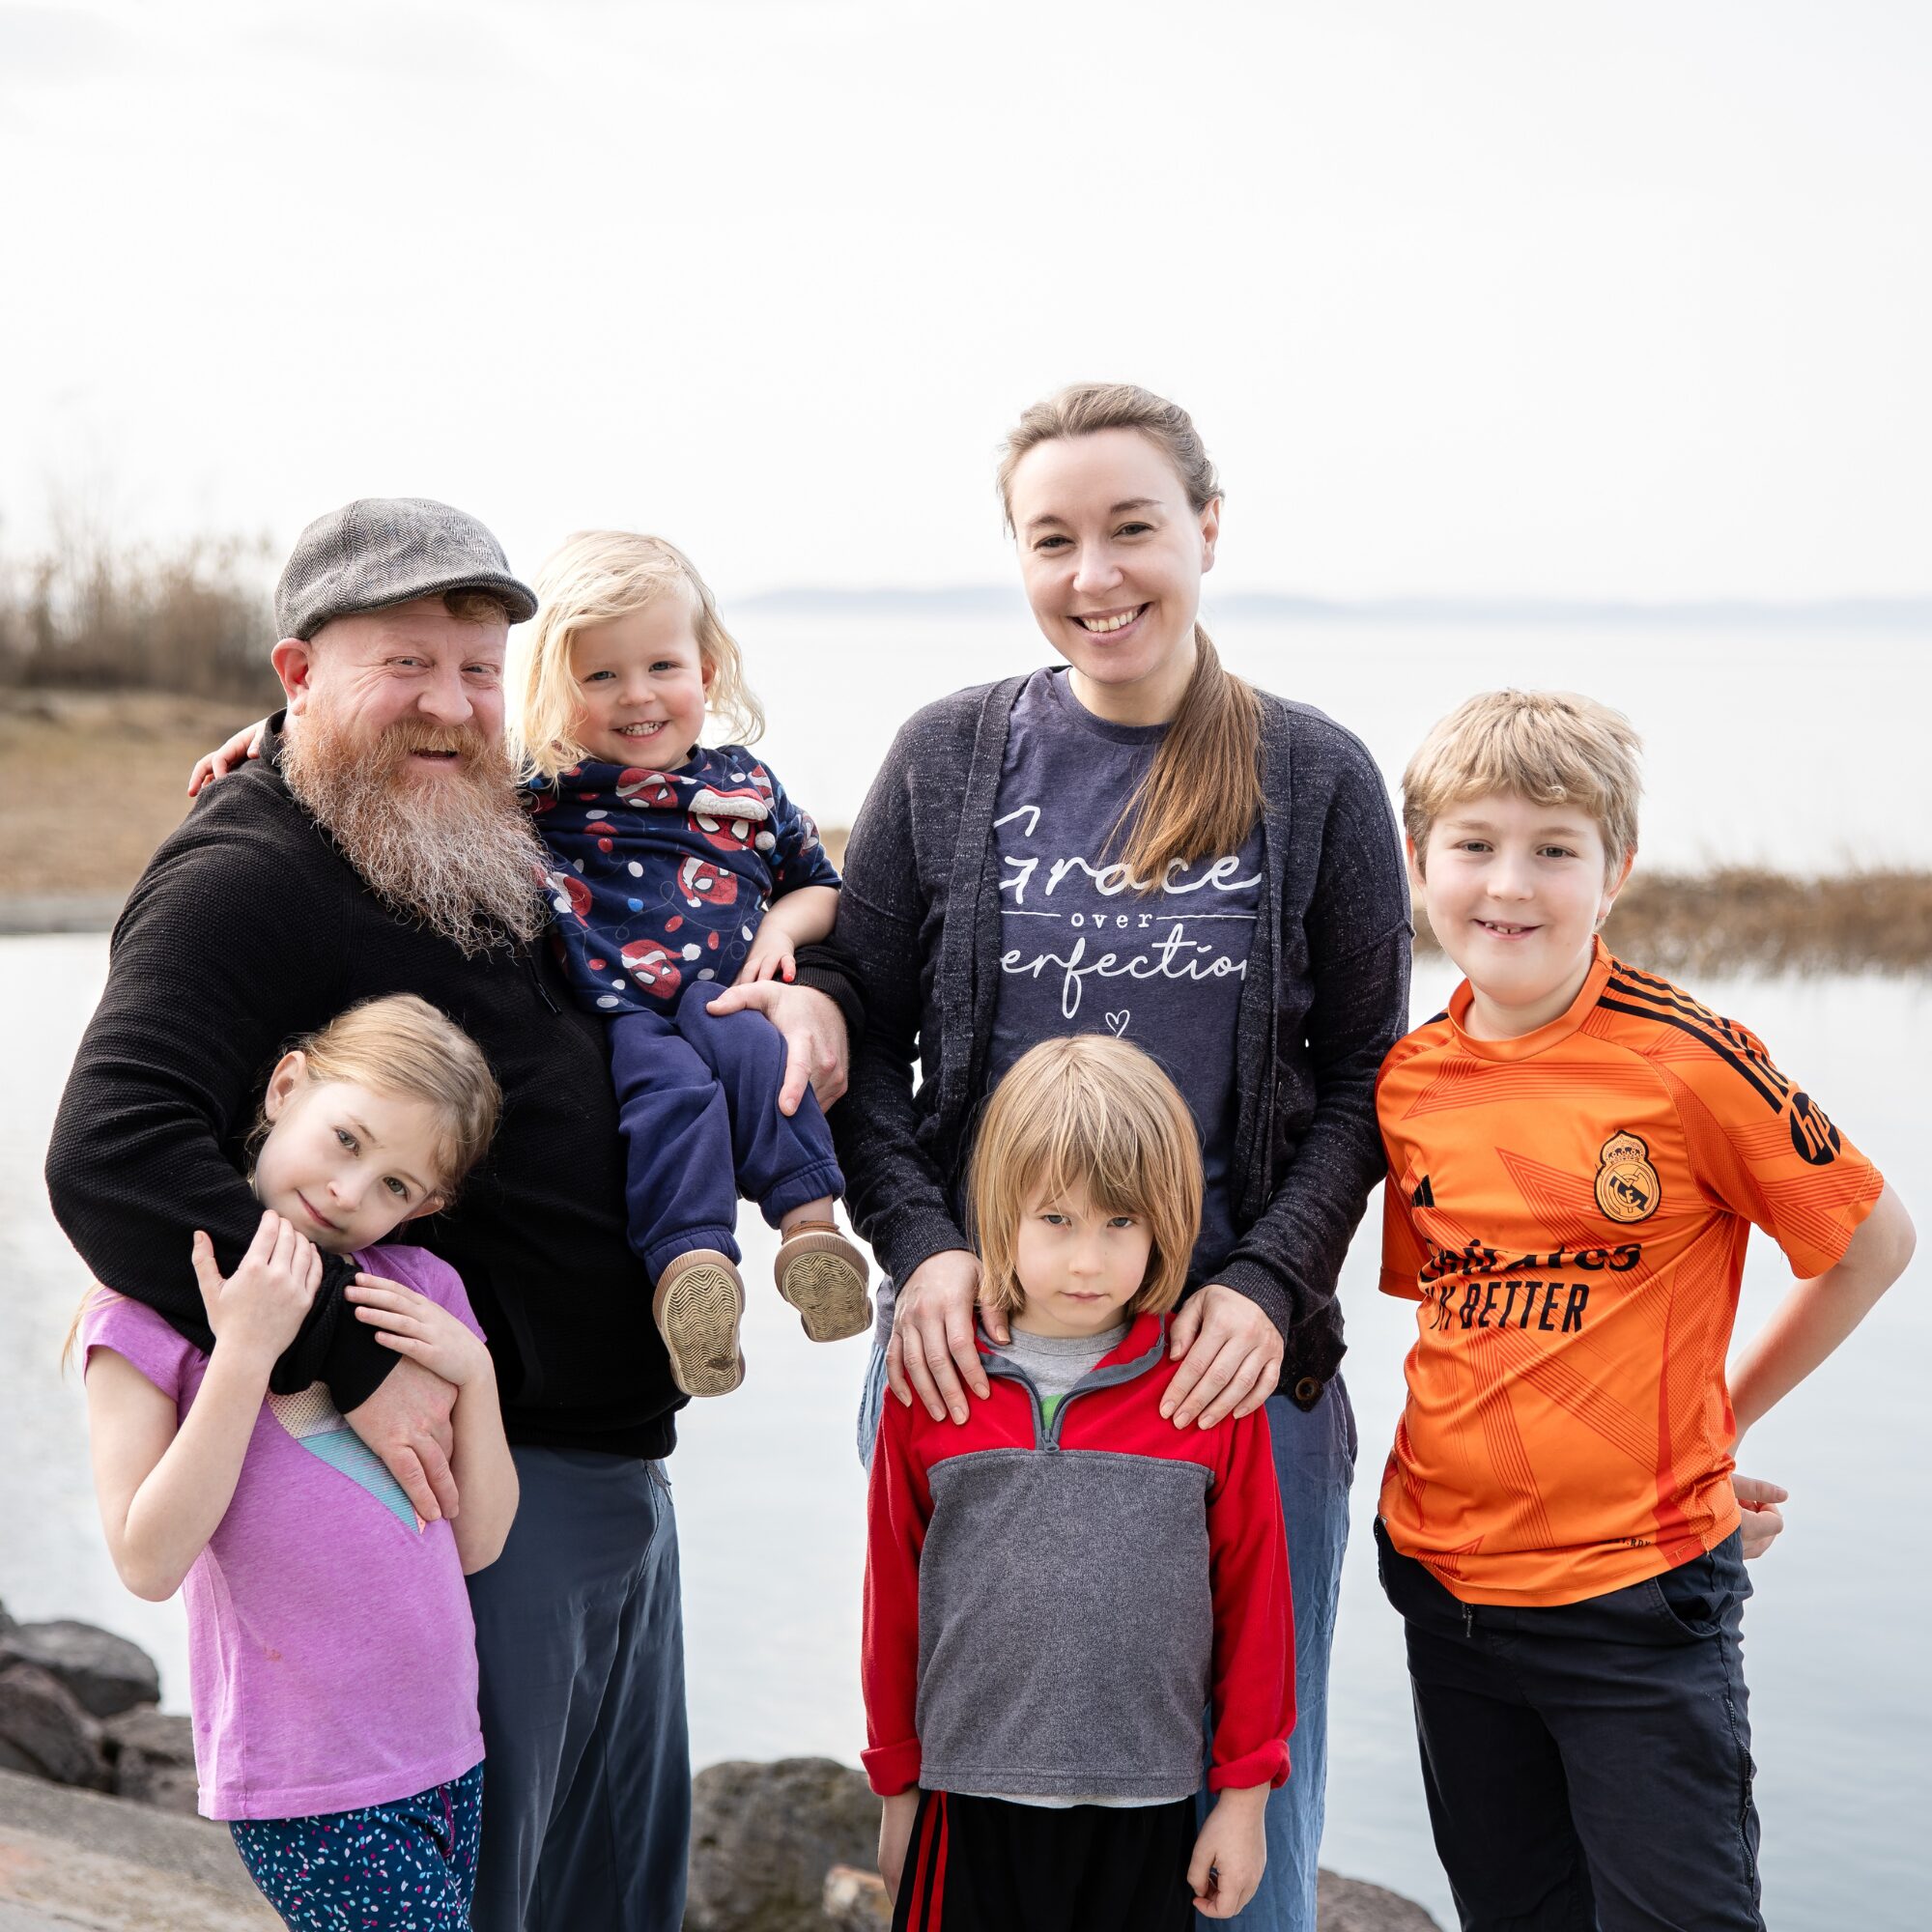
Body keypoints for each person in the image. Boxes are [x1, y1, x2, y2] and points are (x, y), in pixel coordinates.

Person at [45, 497, 861, 1932]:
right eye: (404, 664)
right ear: (299, 675)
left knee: (618, 1907)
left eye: (480, 669)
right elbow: (113, 1155)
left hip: (610, 1472)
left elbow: (688, 918)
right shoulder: (250, 871)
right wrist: (356, 1366)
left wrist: (806, 990)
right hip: (475, 1500)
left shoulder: (464, 819)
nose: (452, 702)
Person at [836, 384, 1410, 1929]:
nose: (1098, 574)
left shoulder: (1320, 777)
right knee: (981, 1790)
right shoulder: (951, 759)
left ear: (1207, 531)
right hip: (977, 1362)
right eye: (1054, 540)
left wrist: (1273, 1283)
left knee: (1246, 1846)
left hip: (1233, 1376)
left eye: (1133, 528)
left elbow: (1368, 1078)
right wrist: (926, 1250)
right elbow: (854, 1033)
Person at [1375, 689, 1917, 1932]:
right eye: (1472, 844)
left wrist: (1712, 1429)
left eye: (1552, 849)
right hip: (1444, 1585)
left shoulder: (1686, 1059)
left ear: (1612, 872)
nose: (1508, 882)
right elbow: (1466, 1322)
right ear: (1419, 863)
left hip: (1633, 1601)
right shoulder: (1412, 1078)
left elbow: (1872, 1243)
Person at [72, 995, 516, 1930]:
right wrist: (244, 1351)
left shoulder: (421, 1294)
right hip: (311, 1776)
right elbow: (147, 1560)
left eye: (397, 1184)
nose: (353, 1191)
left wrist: (472, 1371)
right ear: (286, 1086)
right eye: (345, 1138)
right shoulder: (144, 1317)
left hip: (444, 1751)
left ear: (428, 1206)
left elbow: (476, 1537)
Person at [866, 1036, 1293, 1931]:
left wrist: (1245, 1799)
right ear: (1000, 1213)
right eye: (1054, 1220)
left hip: (1150, 1811)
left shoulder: (1205, 1395)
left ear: (1165, 1221)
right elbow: (892, 1600)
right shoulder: (935, 1386)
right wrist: (896, 1788)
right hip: (965, 1799)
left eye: (1120, 1224)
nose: (1088, 1262)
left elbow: (1257, 1602)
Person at [511, 530, 869, 1397]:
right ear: (557, 691)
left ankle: (812, 1236)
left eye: (662, 666)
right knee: (672, 1104)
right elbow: (422, 766)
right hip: (625, 1014)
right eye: (600, 676)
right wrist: (270, 737)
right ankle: (694, 1270)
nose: (638, 697)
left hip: (727, 994)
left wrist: (785, 929)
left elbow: (822, 887)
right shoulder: (544, 788)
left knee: (767, 1065)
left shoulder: (746, 788)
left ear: (706, 669)